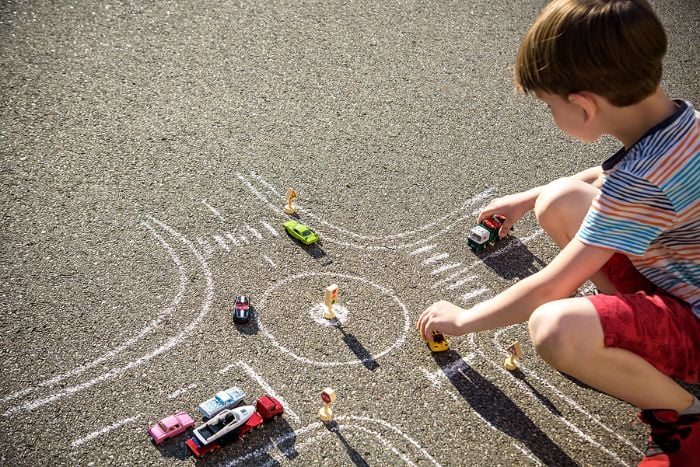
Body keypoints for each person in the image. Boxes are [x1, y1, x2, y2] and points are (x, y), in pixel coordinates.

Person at [416, 0, 699, 464]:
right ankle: (636, 339)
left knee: (555, 328)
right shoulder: (683, 122)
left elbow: (551, 287)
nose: (551, 115)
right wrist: (528, 199)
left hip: (693, 319)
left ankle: (684, 416)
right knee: (559, 200)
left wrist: (464, 318)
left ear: (583, 106)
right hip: (683, 277)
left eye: (550, 106)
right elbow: (616, 177)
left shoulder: (640, 185)